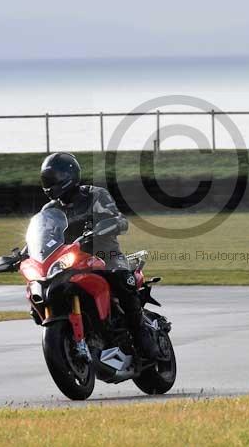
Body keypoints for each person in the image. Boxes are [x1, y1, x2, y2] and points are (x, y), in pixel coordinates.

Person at [39, 152, 159, 359]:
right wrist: (24, 253)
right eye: (46, 179)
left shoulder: (94, 195)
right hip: (71, 260)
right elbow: (43, 235)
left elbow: (117, 219)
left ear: (68, 175)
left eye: (53, 178)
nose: (50, 184)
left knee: (121, 280)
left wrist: (108, 224)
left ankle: (142, 336)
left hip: (104, 253)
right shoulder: (49, 209)